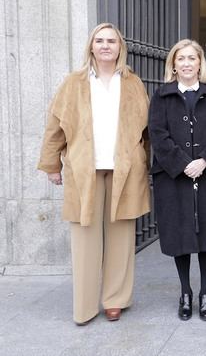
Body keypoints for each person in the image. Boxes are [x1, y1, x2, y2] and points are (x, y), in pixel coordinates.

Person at [38, 23, 150, 325]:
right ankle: (85, 305)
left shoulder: (132, 83)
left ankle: (115, 299)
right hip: (83, 168)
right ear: (91, 46)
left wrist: (146, 163)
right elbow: (55, 125)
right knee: (85, 236)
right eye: (99, 40)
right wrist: (51, 165)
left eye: (111, 41)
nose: (105, 46)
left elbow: (147, 129)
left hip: (124, 169)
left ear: (119, 48)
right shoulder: (73, 83)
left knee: (121, 236)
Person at [148, 39, 206, 322]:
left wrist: (204, 161)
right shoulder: (161, 97)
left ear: (200, 64)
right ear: (173, 64)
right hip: (173, 178)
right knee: (180, 234)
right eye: (180, 59)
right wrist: (183, 164)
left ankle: (205, 293)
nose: (186, 63)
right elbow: (158, 135)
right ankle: (185, 292)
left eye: (191, 59)